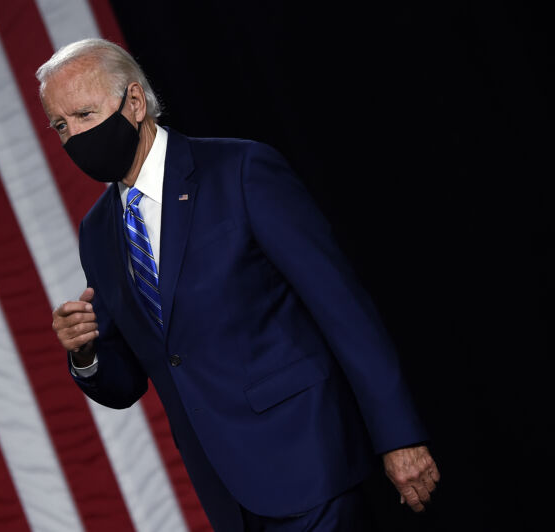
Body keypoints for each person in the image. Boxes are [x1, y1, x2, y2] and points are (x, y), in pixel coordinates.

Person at [39, 38, 439, 531]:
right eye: (60, 125)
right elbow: (135, 378)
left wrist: (398, 435)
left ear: (135, 103)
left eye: (82, 114)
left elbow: (343, 309)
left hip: (309, 462)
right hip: (228, 494)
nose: (74, 135)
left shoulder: (241, 171)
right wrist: (86, 352)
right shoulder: (97, 233)